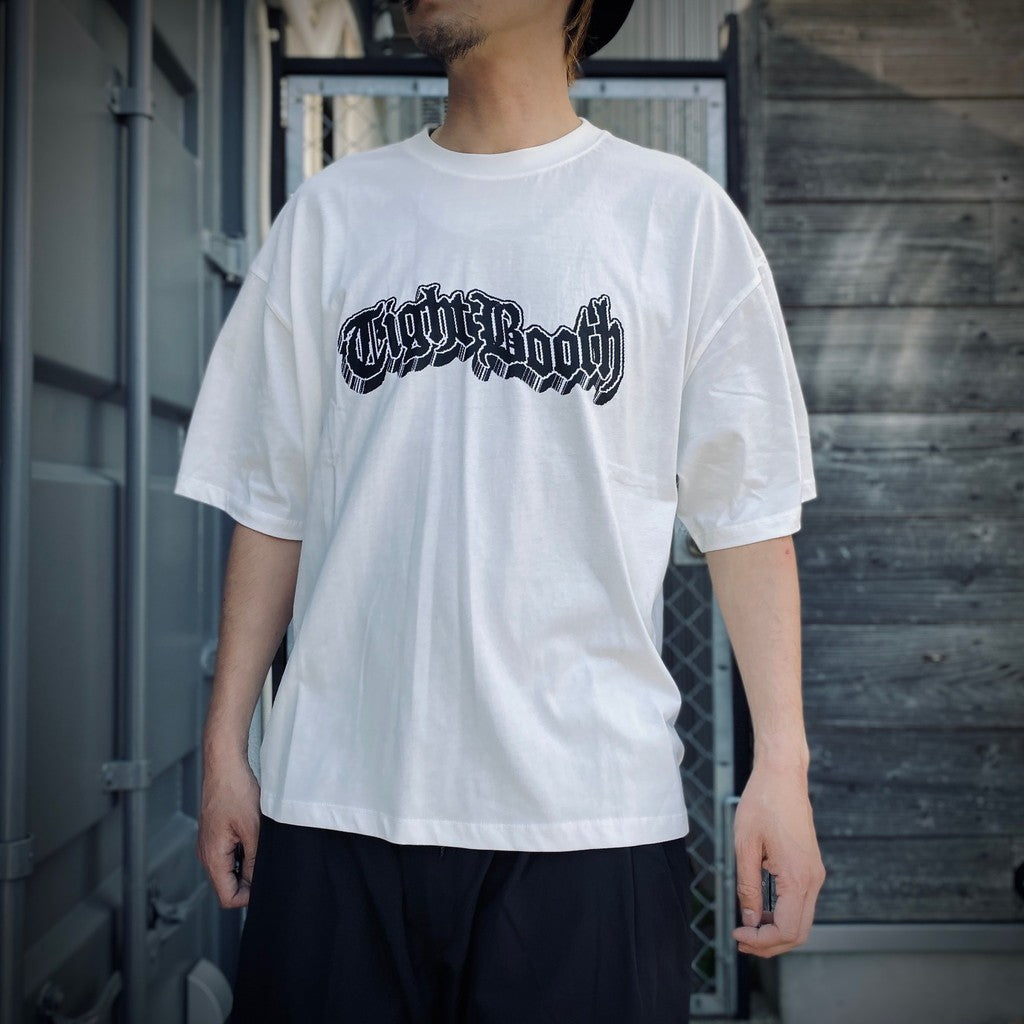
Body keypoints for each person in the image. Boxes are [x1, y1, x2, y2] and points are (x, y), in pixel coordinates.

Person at [173, 0, 827, 1020]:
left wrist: (781, 767)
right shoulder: (332, 215)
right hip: (336, 805)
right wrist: (225, 748)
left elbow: (746, 516)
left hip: (589, 821)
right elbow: (272, 500)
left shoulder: (680, 220)